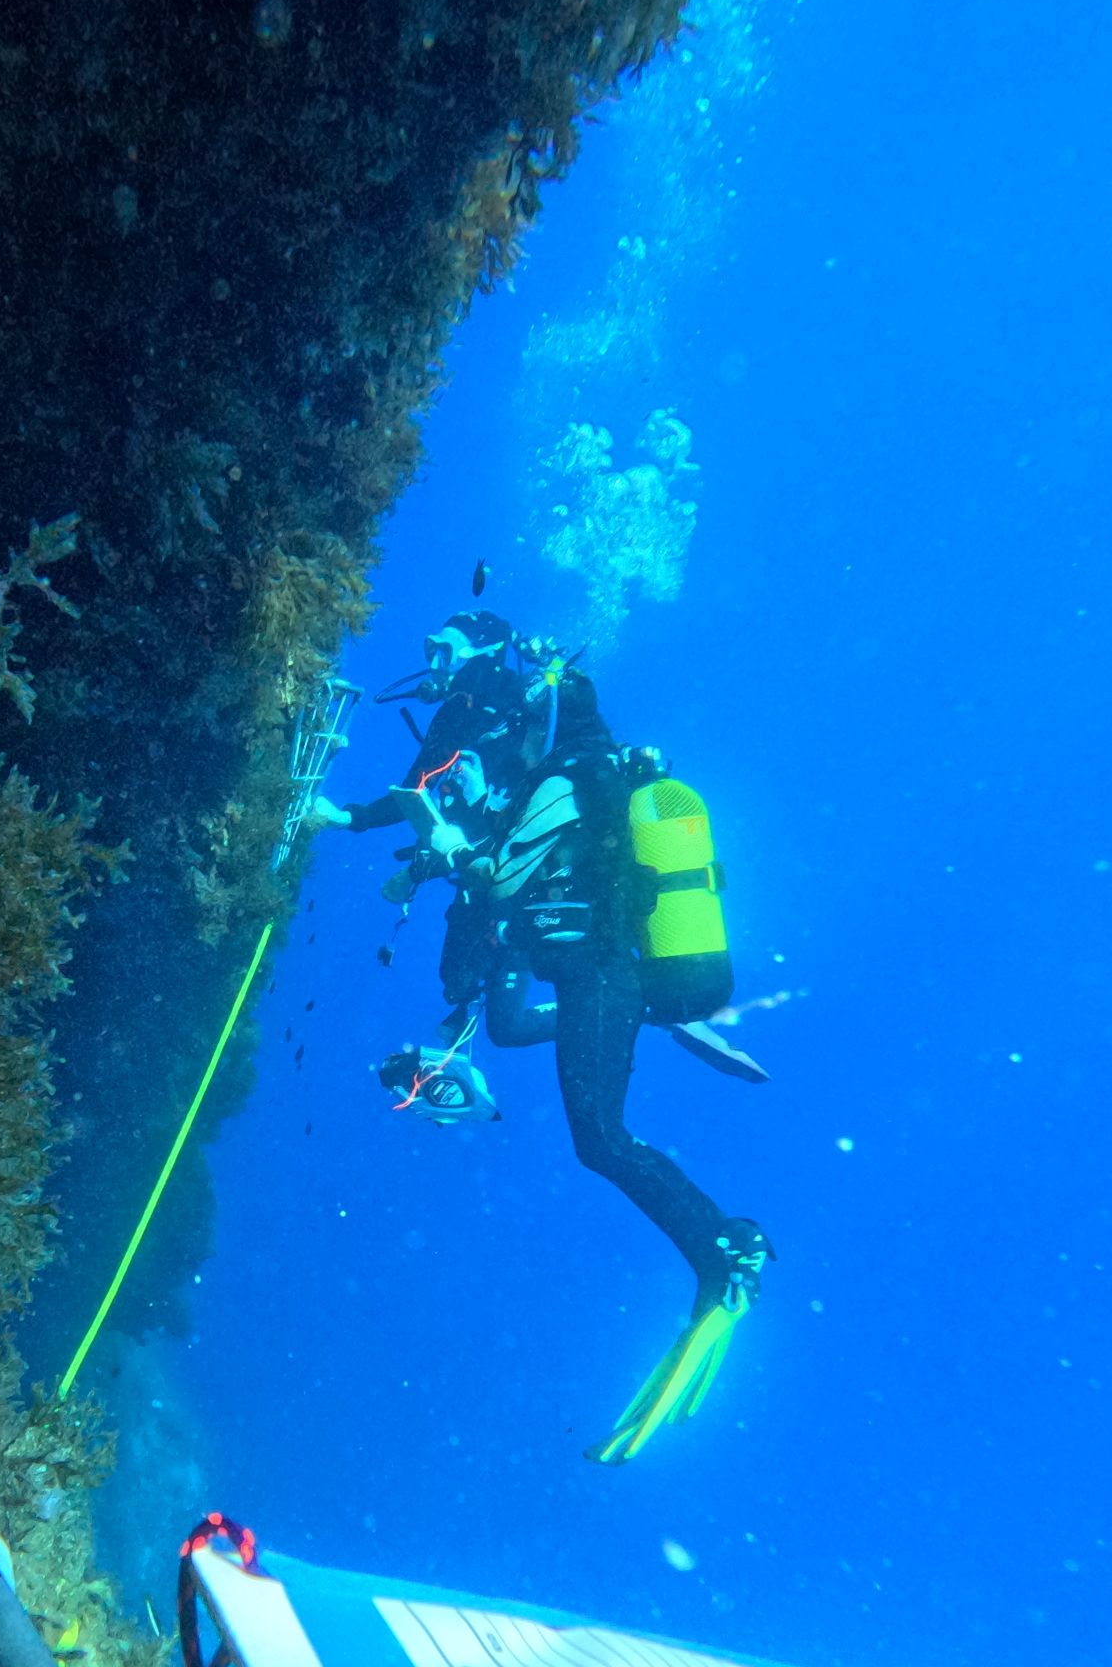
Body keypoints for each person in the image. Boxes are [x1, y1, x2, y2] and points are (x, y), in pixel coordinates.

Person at [313, 621, 770, 1460]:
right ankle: (661, 1032)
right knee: (516, 1033)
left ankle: (723, 1253)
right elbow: (492, 858)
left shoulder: (561, 777)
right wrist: (411, 845)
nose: (435, 665)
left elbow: (506, 871)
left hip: (602, 972)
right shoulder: (541, 782)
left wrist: (448, 852)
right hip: (593, 972)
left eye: (447, 648)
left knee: (600, 1137)